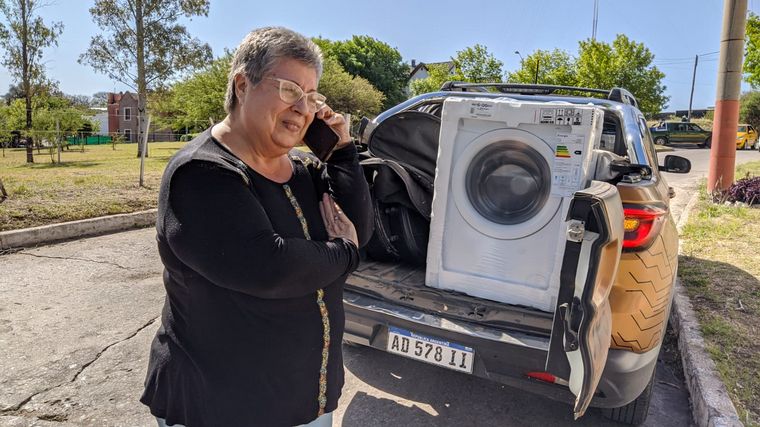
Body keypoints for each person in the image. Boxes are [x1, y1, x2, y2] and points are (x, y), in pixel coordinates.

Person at [140, 27, 373, 427]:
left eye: (312, 97)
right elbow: (269, 267)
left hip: (305, 399)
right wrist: (343, 253)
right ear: (243, 85)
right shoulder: (202, 173)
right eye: (289, 90)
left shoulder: (304, 170)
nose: (304, 108)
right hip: (219, 404)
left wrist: (341, 152)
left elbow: (359, 228)